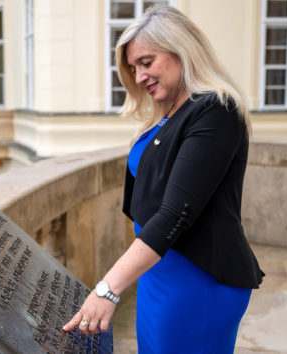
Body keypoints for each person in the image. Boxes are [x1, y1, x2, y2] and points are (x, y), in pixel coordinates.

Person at [62, 4, 264, 353]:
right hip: (159, 271)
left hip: (199, 281)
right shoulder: (172, 112)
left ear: (182, 50)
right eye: (132, 68)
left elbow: (175, 213)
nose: (139, 77)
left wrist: (108, 287)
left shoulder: (216, 110)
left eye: (146, 62)